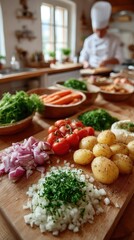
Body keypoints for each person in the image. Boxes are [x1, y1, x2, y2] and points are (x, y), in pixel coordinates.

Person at [79, 1, 124, 68]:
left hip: (107, 72)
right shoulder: (88, 40)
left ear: (107, 27)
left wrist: (106, 62)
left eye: (102, 30)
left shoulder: (115, 39)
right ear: (93, 28)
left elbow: (120, 59)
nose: (99, 33)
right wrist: (85, 63)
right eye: (97, 30)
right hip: (91, 71)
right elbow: (82, 57)